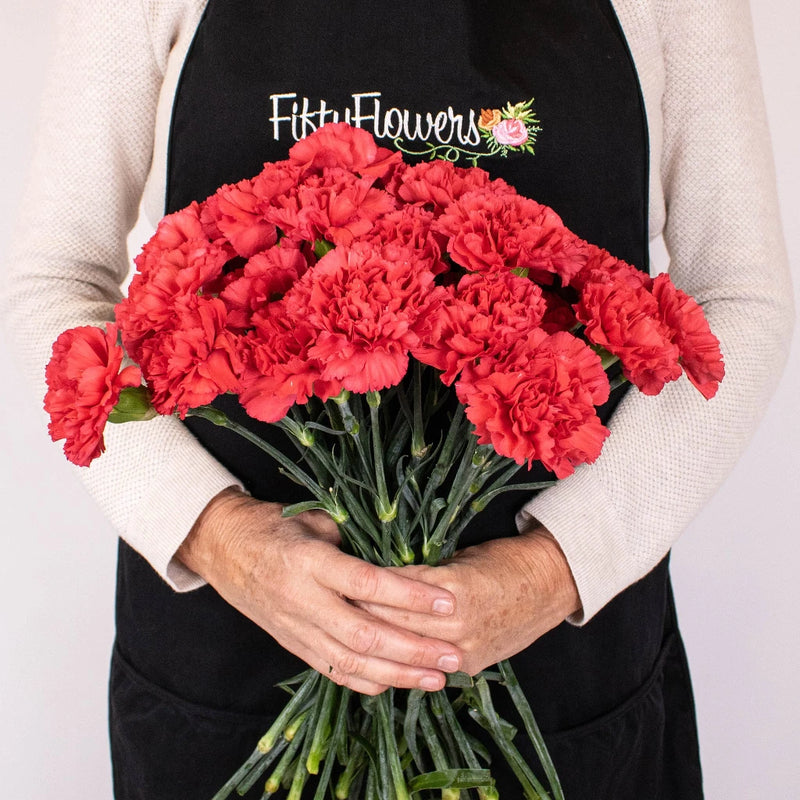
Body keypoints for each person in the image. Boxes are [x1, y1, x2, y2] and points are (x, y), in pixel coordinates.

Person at [3, 1, 793, 798]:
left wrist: (558, 567)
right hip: (232, 654)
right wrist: (218, 538)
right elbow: (55, 281)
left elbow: (738, 296)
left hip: (560, 661)